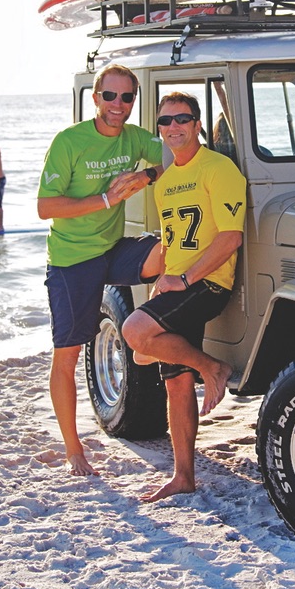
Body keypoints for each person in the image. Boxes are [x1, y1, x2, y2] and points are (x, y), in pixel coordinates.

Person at [37, 64, 164, 477]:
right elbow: (46, 207)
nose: (118, 106)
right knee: (68, 356)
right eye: (110, 96)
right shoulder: (69, 142)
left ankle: (154, 335)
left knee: (169, 253)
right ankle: (74, 449)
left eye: (127, 98)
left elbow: (177, 153)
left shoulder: (134, 138)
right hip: (72, 260)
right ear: (95, 98)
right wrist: (107, 200)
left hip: (112, 249)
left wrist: (145, 175)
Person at [122, 92, 246, 503]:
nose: (173, 127)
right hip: (177, 284)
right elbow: (174, 240)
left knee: (135, 330)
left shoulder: (219, 168)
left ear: (197, 124)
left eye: (182, 119)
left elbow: (230, 238)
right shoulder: (167, 180)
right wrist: (159, 274)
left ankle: (213, 368)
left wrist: (186, 278)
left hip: (208, 284)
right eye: (165, 122)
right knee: (175, 384)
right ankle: (183, 476)